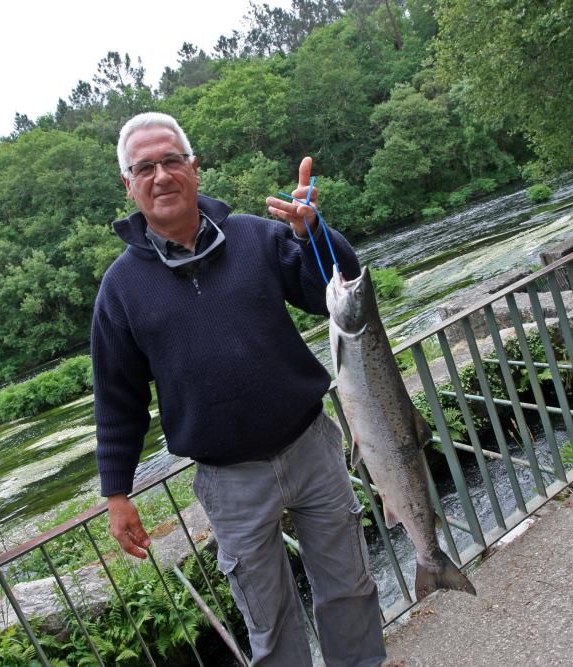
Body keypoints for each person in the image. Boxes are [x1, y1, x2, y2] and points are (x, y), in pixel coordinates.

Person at [91, 111, 386, 667]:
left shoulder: (255, 235)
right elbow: (116, 399)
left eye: (172, 161)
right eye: (145, 167)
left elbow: (337, 286)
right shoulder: (120, 289)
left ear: (194, 169)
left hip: (311, 448)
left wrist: (313, 231)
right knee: (268, 623)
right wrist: (117, 492)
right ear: (128, 185)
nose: (161, 176)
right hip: (229, 480)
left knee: (350, 589)